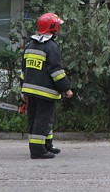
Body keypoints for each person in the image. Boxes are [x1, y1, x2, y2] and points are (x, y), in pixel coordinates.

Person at [21, 12, 73, 159]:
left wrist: (23, 89)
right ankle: (37, 150)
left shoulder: (30, 45)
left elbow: (24, 70)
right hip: (46, 92)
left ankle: (46, 144)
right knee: (43, 119)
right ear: (53, 28)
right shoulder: (51, 47)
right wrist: (66, 88)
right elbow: (57, 71)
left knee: (36, 118)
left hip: (30, 90)